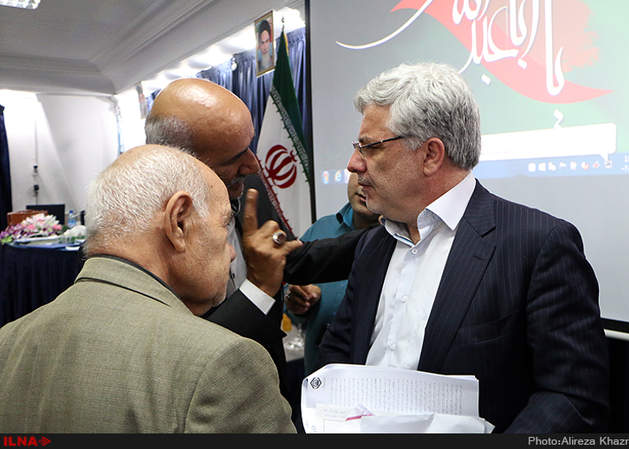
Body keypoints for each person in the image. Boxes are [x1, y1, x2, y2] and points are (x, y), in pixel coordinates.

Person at [318, 62, 609, 433]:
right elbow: (339, 355)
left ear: (430, 155)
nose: (353, 163)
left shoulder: (536, 245)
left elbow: (572, 397)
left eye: (370, 147)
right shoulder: (374, 245)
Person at [0, 145, 295, 433]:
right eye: (224, 225)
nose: (231, 253)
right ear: (179, 222)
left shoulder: (7, 341)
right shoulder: (221, 364)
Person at [144, 78, 361, 405]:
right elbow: (180, 354)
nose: (253, 164)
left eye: (250, 145)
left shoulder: (248, 187)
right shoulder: (142, 234)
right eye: (234, 157)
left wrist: (385, 236)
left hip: (271, 387)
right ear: (181, 162)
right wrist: (258, 287)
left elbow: (287, 259)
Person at [286, 173, 379, 376]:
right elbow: (289, 298)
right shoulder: (322, 228)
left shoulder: (398, 241)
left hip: (370, 378)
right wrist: (297, 301)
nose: (362, 185)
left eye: (373, 176)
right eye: (358, 174)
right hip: (317, 376)